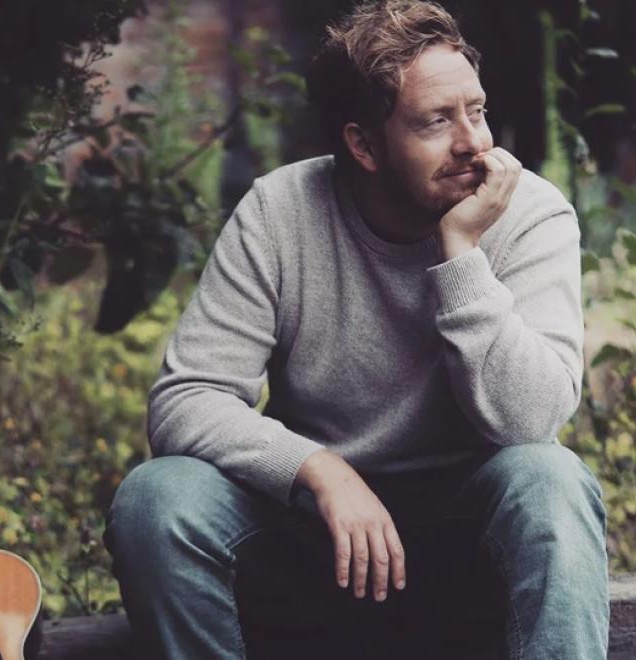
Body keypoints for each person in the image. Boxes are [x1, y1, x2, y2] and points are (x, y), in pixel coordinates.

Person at [103, 1, 610, 658]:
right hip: (319, 540)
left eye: (476, 111)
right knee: (157, 498)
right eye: (436, 121)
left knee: (551, 480)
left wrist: (460, 256)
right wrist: (321, 470)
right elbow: (186, 398)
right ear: (363, 144)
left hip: (468, 544)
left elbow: (531, 422)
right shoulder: (281, 212)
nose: (475, 144)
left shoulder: (529, 214)